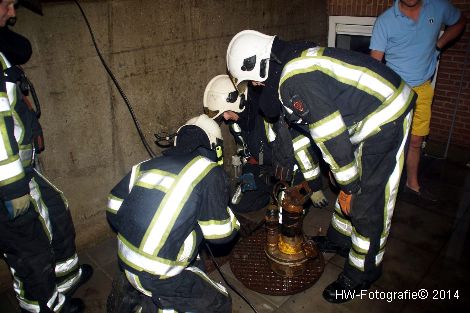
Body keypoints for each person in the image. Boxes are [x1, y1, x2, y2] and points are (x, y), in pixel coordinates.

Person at [226, 30, 416, 303]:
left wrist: (349, 185)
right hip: (364, 117)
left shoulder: (294, 82)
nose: (254, 85)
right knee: (346, 181)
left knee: (368, 199)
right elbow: (304, 139)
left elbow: (331, 136)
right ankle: (339, 240)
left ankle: (363, 272)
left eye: (252, 78)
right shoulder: (288, 71)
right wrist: (318, 183)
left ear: (260, 63)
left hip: (387, 113)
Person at [0, 1, 91, 312]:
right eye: (8, 4)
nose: (13, 13)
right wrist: (13, 191)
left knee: (56, 210)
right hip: (7, 183)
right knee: (30, 247)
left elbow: (21, 51)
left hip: (21, 170)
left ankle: (66, 280)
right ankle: (44, 306)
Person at [106, 114, 239, 313]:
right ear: (214, 147)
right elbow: (220, 236)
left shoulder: (145, 165)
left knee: (193, 265)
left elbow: (113, 207)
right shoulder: (209, 171)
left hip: (125, 260)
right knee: (220, 301)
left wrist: (139, 229)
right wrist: (232, 218)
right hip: (161, 274)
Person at [370, 0, 467, 203]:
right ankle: (380, 186)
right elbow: (374, 65)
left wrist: (439, 45)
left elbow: (460, 21)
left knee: (416, 141)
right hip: (395, 90)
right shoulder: (385, 21)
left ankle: (412, 184)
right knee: (389, 140)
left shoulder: (438, 8)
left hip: (422, 89)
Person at [203, 74, 328, 216]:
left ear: (239, 102)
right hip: (265, 169)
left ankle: (293, 199)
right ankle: (270, 194)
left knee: (287, 213)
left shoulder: (270, 115)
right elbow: (244, 150)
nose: (225, 118)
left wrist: (314, 185)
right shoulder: (237, 124)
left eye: (225, 112)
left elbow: (302, 150)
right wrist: (249, 170)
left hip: (291, 167)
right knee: (238, 204)